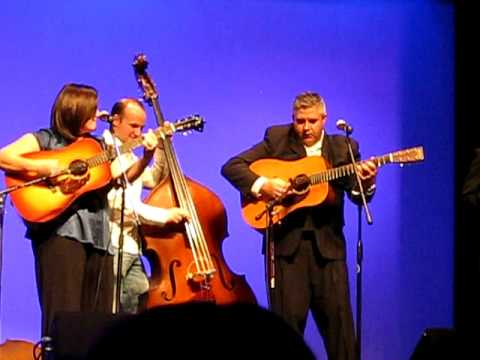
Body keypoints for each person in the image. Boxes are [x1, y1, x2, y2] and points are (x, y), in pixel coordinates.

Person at [221, 91, 377, 360]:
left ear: (324, 119)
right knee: (286, 335)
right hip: (287, 251)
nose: (306, 128)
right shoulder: (277, 138)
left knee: (341, 336)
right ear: (293, 119)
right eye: (300, 121)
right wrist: (264, 185)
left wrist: (367, 182)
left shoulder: (343, 147)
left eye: (312, 121)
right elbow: (232, 167)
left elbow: (356, 194)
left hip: (329, 254)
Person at [0, 83, 115, 338]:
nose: (98, 114)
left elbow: (121, 174)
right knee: (63, 319)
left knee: (98, 324)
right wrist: (48, 169)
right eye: (93, 109)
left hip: (99, 238)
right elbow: (3, 157)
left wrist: (146, 154)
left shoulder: (95, 147)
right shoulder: (45, 138)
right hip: (61, 235)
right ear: (77, 109)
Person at [103, 98, 189, 314]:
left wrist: (160, 146)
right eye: (133, 126)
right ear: (115, 121)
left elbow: (154, 179)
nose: (138, 132)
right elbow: (125, 205)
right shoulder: (106, 151)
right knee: (110, 311)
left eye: (141, 127)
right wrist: (166, 215)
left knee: (140, 305)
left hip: (132, 246)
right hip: (112, 246)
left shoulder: (130, 153)